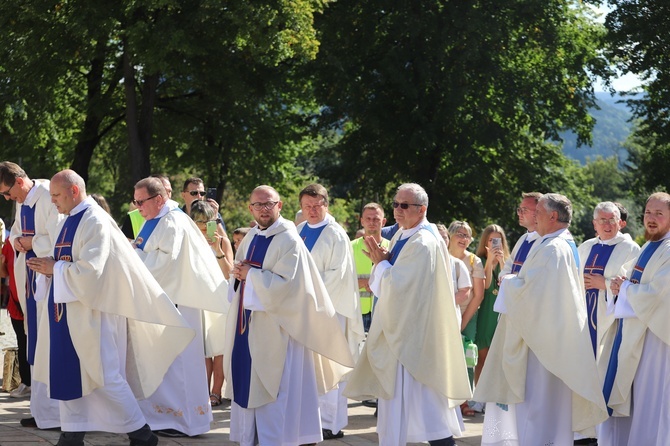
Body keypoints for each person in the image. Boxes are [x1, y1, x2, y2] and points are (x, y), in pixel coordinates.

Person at [26, 169, 195, 446]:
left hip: (95, 312)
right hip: (69, 311)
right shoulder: (70, 219)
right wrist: (49, 266)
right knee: (68, 371)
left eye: (56, 195)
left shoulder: (94, 220)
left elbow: (92, 272)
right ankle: (72, 434)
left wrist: (54, 267)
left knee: (104, 375)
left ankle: (142, 434)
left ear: (74, 191)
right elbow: (67, 259)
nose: (53, 201)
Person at [224, 185, 354, 446]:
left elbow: (289, 287)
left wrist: (251, 275)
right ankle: (253, 438)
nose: (263, 209)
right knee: (250, 382)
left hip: (280, 331)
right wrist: (238, 273)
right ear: (250, 208)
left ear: (279, 205)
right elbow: (240, 274)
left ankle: (278, 440)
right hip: (248, 327)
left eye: (268, 204)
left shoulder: (288, 239)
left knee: (278, 390)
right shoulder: (250, 237)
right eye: (258, 205)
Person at [475, 193, 608, 445]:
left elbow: (533, 292)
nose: (534, 217)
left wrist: (510, 281)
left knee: (538, 409)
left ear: (553, 216)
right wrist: (512, 279)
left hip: (542, 342)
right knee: (544, 411)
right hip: (546, 336)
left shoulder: (553, 249)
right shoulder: (551, 243)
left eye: (538, 213)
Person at [345, 183, 471, 446]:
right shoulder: (405, 234)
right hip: (404, 332)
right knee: (412, 409)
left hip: (416, 339)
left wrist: (381, 263)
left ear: (422, 209)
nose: (397, 210)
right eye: (395, 204)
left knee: (428, 409)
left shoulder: (423, 241)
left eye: (404, 205)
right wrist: (384, 262)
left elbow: (399, 285)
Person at [132, 177, 229, 437]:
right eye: (136, 201)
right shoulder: (155, 220)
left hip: (178, 302)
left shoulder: (172, 221)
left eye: (141, 201)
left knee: (180, 363)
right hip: (163, 301)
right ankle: (164, 418)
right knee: (166, 362)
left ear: (159, 199)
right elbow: (145, 250)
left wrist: (133, 257)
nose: (138, 206)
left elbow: (167, 262)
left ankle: (185, 421)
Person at [296, 183, 364, 440]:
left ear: (326, 204)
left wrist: (306, 294)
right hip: (303, 308)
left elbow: (336, 276)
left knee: (330, 366)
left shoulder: (336, 234)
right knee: (309, 368)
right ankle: (310, 417)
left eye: (316, 205)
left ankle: (331, 423)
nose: (312, 211)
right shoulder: (300, 230)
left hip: (329, 310)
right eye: (307, 206)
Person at [0, 161, 62, 429]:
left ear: (19, 182)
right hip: (30, 280)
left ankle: (56, 412)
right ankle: (40, 410)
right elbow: (15, 230)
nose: (7, 198)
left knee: (49, 344)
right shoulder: (22, 200)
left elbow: (59, 234)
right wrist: (16, 241)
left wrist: (30, 242)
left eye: (7, 192)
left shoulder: (49, 195)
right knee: (34, 344)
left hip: (50, 279)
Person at [607, 192, 670, 445]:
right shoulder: (650, 246)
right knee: (639, 399)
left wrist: (624, 289)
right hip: (638, 335)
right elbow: (630, 275)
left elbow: (659, 295)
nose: (651, 219)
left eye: (658, 214)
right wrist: (618, 284)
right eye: (647, 213)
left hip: (658, 341)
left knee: (654, 401)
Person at [576, 201, 639, 445]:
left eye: (611, 219)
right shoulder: (585, 247)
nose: (607, 224)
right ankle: (580, 430)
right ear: (594, 224)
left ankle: (598, 432)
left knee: (602, 375)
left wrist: (604, 284)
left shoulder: (630, 248)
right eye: (602, 220)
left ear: (620, 222)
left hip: (608, 325)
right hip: (582, 321)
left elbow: (632, 282)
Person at [189, 199, 234, 408]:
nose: (201, 226)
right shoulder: (188, 241)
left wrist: (217, 248)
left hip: (219, 296)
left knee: (220, 349)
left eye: (206, 221)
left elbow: (229, 273)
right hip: (198, 297)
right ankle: (202, 392)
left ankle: (216, 392)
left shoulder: (222, 241)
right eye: (197, 221)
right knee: (202, 350)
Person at [447, 220, 484, 413]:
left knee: (467, 356)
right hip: (443, 313)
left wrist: (462, 322)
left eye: (467, 235)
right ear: (450, 235)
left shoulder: (473, 261)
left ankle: (464, 401)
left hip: (466, 314)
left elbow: (478, 295)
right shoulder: (442, 256)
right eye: (460, 234)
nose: (464, 239)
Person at [473, 225, 510, 387]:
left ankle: (494, 400)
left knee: (500, 359)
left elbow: (507, 285)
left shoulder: (508, 262)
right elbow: (486, 286)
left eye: (498, 240)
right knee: (483, 357)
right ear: (485, 242)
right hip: (486, 314)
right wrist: (490, 261)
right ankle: (479, 397)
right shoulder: (479, 261)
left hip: (501, 315)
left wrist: (501, 262)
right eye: (491, 240)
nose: (495, 244)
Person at [351, 203, 390, 333]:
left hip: (382, 313)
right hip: (355, 312)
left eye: (376, 219)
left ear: (383, 222)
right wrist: (362, 283)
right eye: (368, 218)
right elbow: (339, 279)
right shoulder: (350, 247)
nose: (371, 222)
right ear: (362, 221)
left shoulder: (392, 248)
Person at [1, 233, 31, 398]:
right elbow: (3, 273)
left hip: (33, 301)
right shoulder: (9, 242)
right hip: (15, 301)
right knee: (22, 341)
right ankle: (26, 382)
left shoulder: (36, 241)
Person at [500, 192, 541, 277]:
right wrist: (504, 276)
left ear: (538, 212)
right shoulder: (523, 239)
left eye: (524, 210)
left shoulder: (544, 241)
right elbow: (509, 264)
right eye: (519, 210)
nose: (519, 214)